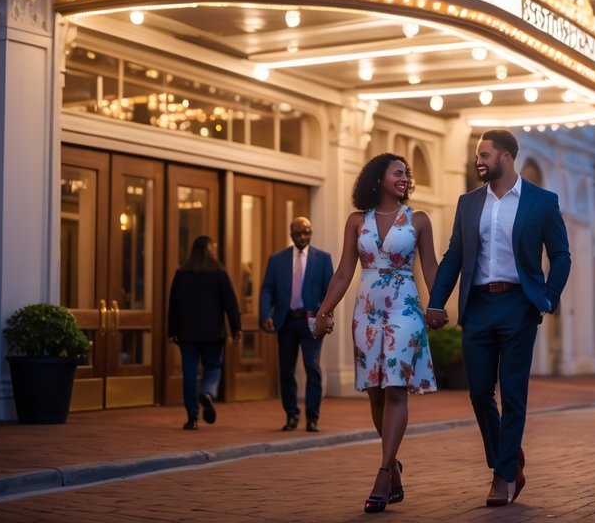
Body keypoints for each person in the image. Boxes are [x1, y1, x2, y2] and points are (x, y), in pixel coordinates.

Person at [425, 129, 571, 507]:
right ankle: (507, 457)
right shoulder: (469, 202)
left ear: (505, 157)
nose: (479, 161)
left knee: (514, 393)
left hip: (519, 305)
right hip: (478, 306)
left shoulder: (541, 201)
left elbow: (561, 255)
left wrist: (548, 299)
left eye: (485, 155)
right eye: (478, 155)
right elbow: (454, 255)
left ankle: (503, 476)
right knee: (477, 392)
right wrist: (437, 302)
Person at [313, 153, 439, 514]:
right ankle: (394, 464)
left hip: (405, 309)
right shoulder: (357, 222)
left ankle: (383, 474)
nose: (404, 178)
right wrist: (324, 311)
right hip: (366, 311)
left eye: (406, 174)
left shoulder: (418, 220)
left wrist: (439, 305)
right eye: (397, 172)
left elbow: (429, 266)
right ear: (378, 177)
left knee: (396, 387)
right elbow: (342, 273)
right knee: (375, 393)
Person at [259, 216, 334, 432]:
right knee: (287, 370)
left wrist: (326, 316)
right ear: (291, 234)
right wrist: (265, 314)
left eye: (307, 232)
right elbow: (267, 289)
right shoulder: (277, 260)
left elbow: (331, 290)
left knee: (312, 366)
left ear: (311, 233)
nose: (303, 237)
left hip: (311, 321)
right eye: (299, 233)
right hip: (287, 321)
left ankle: (313, 417)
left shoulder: (323, 258)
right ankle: (291, 415)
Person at [167, 235, 242, 430]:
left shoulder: (181, 273)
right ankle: (208, 392)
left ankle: (192, 417)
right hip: (212, 332)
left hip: (187, 333)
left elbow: (173, 304)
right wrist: (236, 328)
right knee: (214, 365)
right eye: (214, 249)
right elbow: (230, 303)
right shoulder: (219, 272)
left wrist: (172, 330)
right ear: (208, 250)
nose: (215, 252)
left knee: (189, 373)